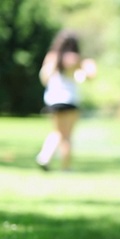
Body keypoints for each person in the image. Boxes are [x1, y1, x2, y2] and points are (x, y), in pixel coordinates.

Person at [36, 30, 97, 171]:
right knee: (67, 135)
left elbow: (45, 78)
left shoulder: (53, 57)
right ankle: (65, 167)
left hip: (54, 99)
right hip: (70, 99)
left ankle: (45, 157)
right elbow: (91, 75)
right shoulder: (77, 59)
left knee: (57, 131)